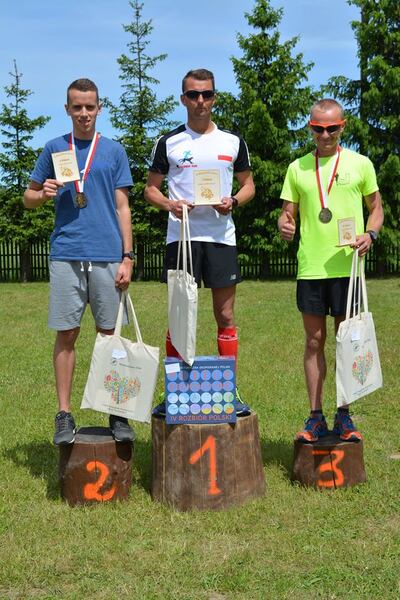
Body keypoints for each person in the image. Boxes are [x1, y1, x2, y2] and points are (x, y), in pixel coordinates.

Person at [24, 78, 135, 445]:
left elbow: (123, 206)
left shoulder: (114, 151)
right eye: (77, 107)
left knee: (110, 336)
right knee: (67, 334)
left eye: (90, 107)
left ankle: (116, 411)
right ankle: (64, 413)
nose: (84, 113)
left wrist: (128, 256)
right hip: (67, 253)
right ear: (67, 109)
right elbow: (28, 197)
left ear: (99, 108)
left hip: (107, 255)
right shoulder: (54, 148)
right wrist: (43, 193)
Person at [144, 68, 255, 415]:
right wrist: (170, 204)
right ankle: (174, 392)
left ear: (214, 98)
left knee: (225, 314)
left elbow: (249, 186)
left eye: (206, 94)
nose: (200, 101)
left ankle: (230, 390)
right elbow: (150, 189)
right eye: (193, 95)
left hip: (221, 237)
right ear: (183, 99)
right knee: (179, 316)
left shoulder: (232, 142)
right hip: (182, 238)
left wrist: (233, 200)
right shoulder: (169, 142)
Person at [278, 98, 384, 443]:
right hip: (311, 268)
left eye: (332, 128)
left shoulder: (360, 164)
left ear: (343, 126)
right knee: (314, 341)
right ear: (310, 128)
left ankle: (344, 415)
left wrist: (371, 233)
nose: (325, 135)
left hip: (348, 267)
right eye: (318, 128)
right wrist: (284, 224)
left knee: (346, 342)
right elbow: (287, 212)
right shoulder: (297, 168)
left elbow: (376, 208)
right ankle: (315, 417)